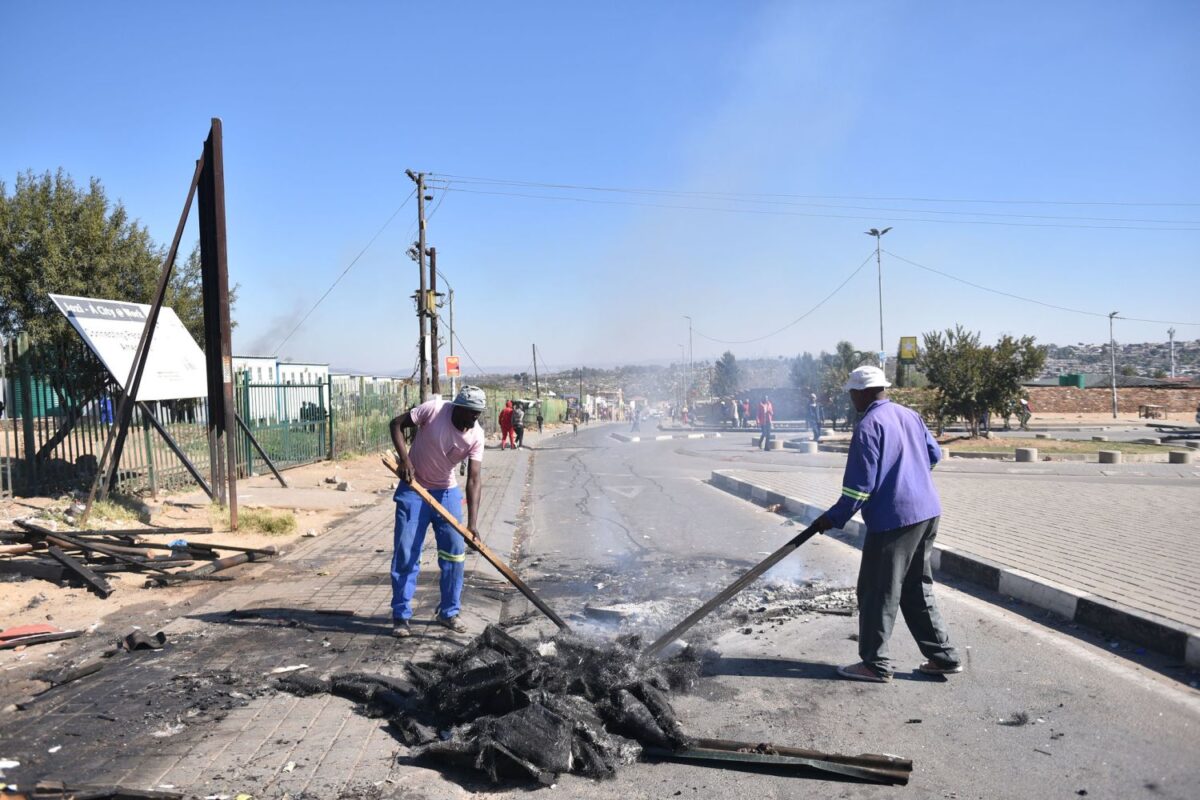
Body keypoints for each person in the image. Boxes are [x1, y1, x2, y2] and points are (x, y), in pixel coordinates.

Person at [811, 365, 960, 682]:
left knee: (877, 590)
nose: (851, 399)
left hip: (894, 520)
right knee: (916, 587)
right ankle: (943, 656)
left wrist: (833, 518)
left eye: (852, 393)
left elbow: (857, 489)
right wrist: (910, 477)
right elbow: (933, 454)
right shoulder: (909, 415)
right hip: (928, 511)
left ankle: (875, 664)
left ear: (862, 392)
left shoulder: (868, 426)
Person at [387, 386, 487, 637]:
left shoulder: (476, 436)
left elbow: (474, 479)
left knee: (455, 554)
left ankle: (449, 612)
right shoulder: (434, 410)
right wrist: (405, 460)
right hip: (414, 488)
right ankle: (401, 616)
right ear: (458, 407)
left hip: (446, 492)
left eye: (478, 415)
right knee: (406, 552)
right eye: (471, 414)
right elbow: (396, 424)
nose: (473, 420)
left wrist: (472, 525)